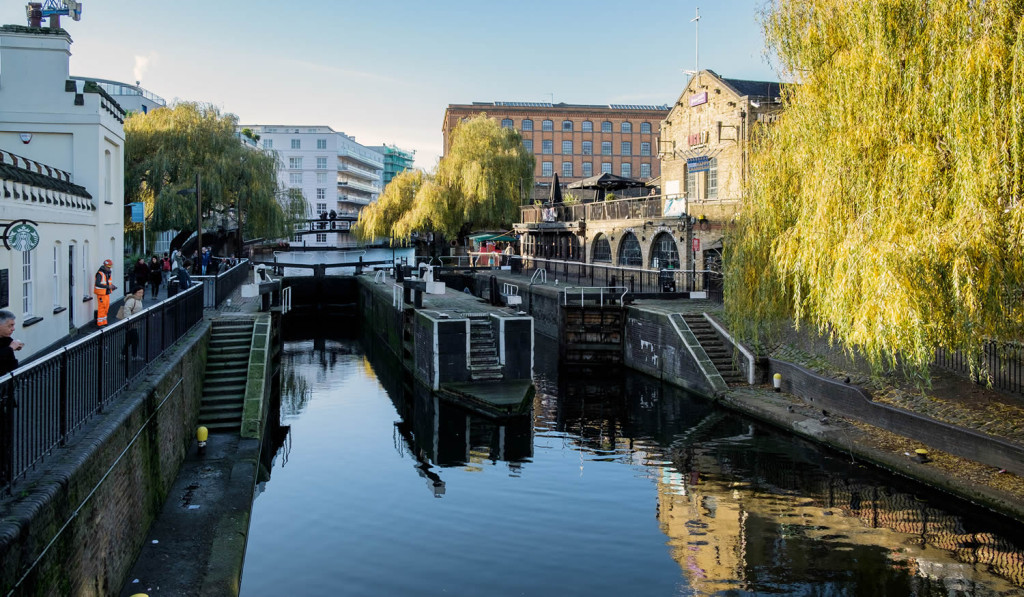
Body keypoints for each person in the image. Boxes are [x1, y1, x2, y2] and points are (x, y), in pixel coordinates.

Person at [121, 285, 145, 360]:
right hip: (131, 323)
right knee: (134, 339)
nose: (141, 294)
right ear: (135, 293)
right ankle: (133, 355)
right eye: (139, 292)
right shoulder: (131, 300)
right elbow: (126, 310)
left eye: (142, 292)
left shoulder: (139, 299)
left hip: (134, 322)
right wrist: (129, 320)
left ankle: (124, 354)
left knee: (129, 340)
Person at [0, 310, 25, 375]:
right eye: (10, 326)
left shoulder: (6, 339)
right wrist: (10, 349)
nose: (13, 329)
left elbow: (12, 364)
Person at [94, 259, 117, 327]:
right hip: (101, 294)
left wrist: (112, 286)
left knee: (106, 308)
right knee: (102, 308)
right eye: (108, 267)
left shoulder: (107, 273)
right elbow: (97, 284)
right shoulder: (100, 273)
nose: (109, 268)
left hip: (106, 293)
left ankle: (104, 322)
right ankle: (100, 323)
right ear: (105, 266)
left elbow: (107, 283)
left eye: (110, 267)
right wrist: (108, 286)